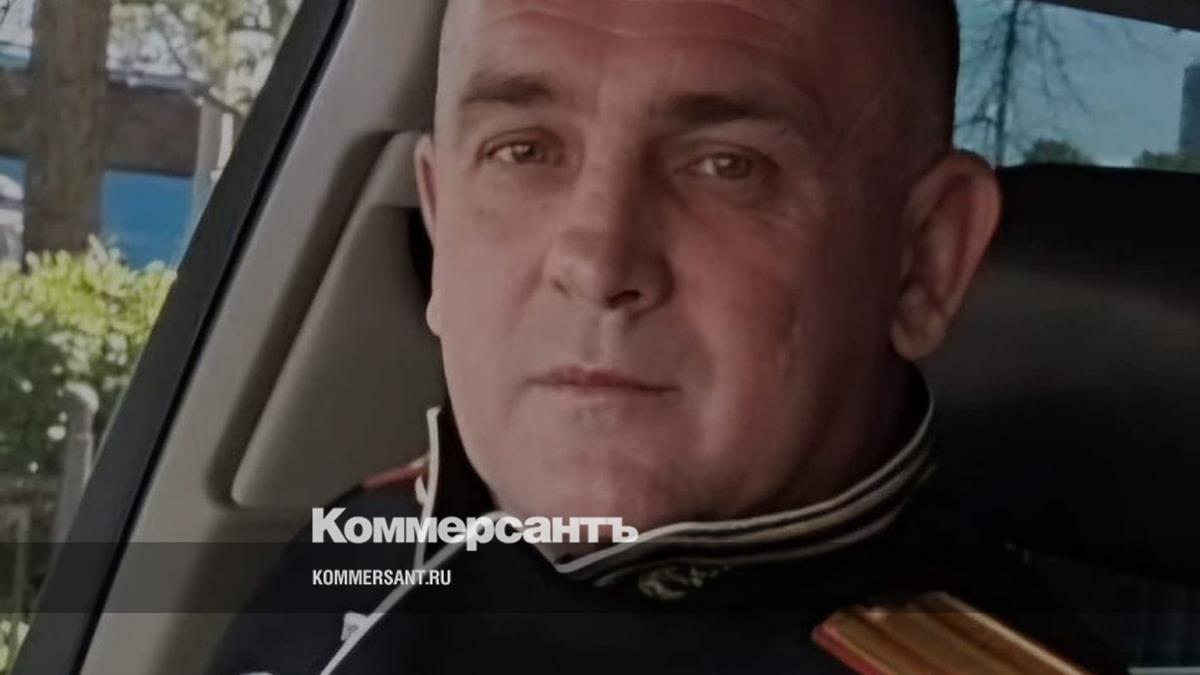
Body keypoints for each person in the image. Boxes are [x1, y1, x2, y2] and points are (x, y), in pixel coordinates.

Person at [213, 1, 1127, 672]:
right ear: (441, 223)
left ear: (924, 259)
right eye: (523, 150)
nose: (596, 259)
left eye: (728, 166)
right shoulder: (362, 546)